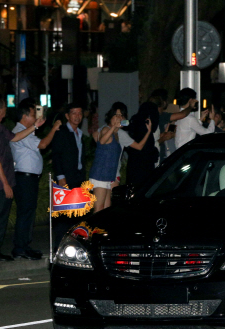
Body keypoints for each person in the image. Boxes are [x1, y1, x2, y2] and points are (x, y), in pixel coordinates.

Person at [0, 95, 45, 261]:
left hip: (6, 179)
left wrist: (35, 126)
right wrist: (5, 184)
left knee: (2, 216)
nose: (6, 109)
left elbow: (15, 137)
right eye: (4, 106)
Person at [10, 98, 61, 260]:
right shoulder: (20, 131)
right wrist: (53, 128)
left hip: (29, 178)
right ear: (25, 116)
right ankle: (20, 247)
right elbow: (43, 144)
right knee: (25, 212)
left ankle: (24, 245)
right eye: (33, 114)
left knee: (28, 212)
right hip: (24, 178)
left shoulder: (27, 132)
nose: (35, 117)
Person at [89, 102, 152, 212]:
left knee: (107, 209)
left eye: (121, 115)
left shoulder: (119, 134)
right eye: (116, 115)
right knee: (98, 209)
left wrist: (149, 131)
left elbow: (139, 146)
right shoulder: (106, 129)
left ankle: (104, 229)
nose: (119, 117)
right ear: (110, 117)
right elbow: (102, 141)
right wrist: (113, 127)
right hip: (100, 175)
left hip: (109, 176)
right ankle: (94, 229)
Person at [52, 102, 87, 250]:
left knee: (78, 215)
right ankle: (58, 248)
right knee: (64, 216)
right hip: (66, 178)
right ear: (67, 116)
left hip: (78, 178)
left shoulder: (79, 133)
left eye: (80, 113)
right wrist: (61, 177)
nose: (77, 116)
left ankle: (73, 246)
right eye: (74, 113)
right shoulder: (61, 132)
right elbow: (56, 155)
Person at [149, 89, 193, 162]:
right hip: (158, 153)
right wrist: (190, 106)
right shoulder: (159, 115)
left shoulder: (152, 115)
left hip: (161, 151)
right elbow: (182, 114)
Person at [125, 101, 157, 184]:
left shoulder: (134, 121)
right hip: (144, 166)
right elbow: (144, 148)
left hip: (133, 164)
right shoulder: (144, 126)